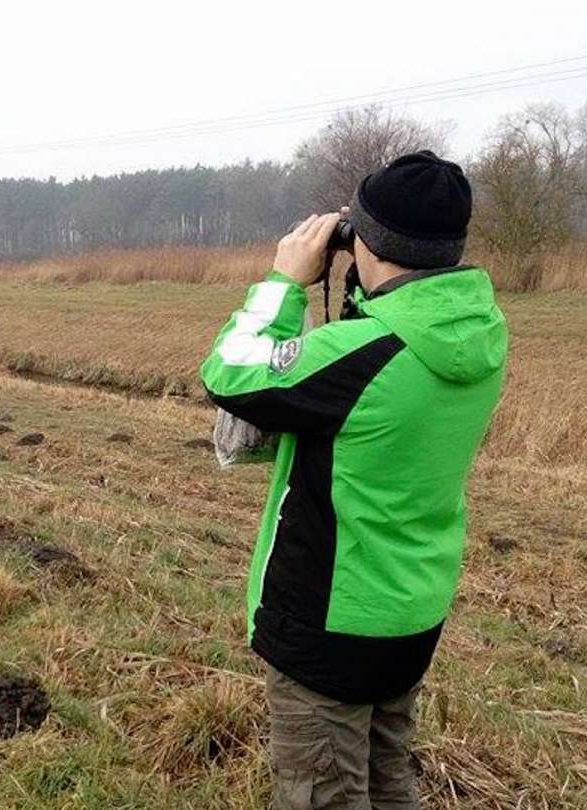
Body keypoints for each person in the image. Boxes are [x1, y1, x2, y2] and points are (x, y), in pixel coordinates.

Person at [199, 151, 508, 809]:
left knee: (324, 796)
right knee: (388, 782)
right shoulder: (478, 332)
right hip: (409, 611)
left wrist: (285, 281)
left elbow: (231, 371)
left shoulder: (363, 356)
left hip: (329, 625)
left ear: (370, 242)